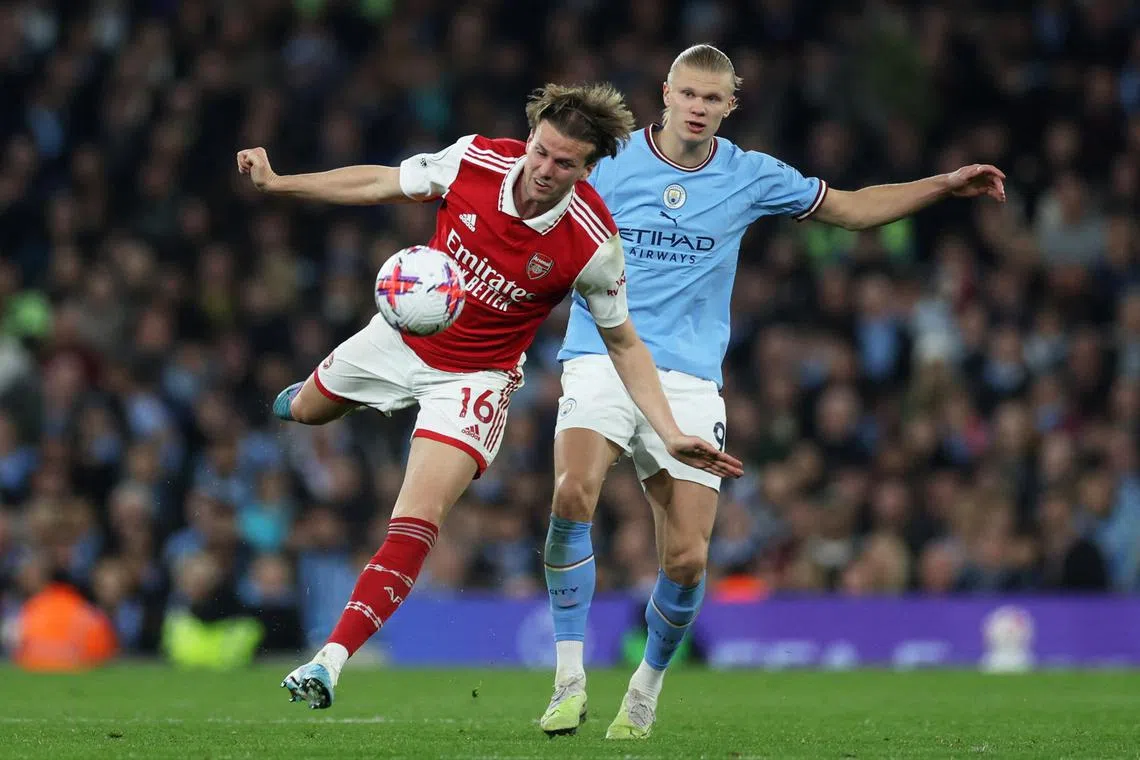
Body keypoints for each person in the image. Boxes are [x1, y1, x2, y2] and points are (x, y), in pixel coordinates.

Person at [539, 44, 1006, 739]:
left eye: (712, 98)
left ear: (731, 105)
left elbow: (851, 209)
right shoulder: (608, 158)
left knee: (687, 559)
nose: (697, 108)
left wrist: (942, 184)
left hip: (690, 377)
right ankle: (568, 679)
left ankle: (644, 691)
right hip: (601, 354)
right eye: (687, 94)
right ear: (665, 93)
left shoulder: (751, 175)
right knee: (573, 490)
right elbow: (530, 192)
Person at [235, 82, 744, 710]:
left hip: (473, 381)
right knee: (305, 411)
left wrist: (668, 431)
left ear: (588, 170)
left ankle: (328, 661)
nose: (544, 170)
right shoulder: (474, 159)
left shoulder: (592, 242)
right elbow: (381, 182)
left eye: (564, 163)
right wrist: (280, 184)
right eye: (541, 152)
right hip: (400, 336)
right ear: (529, 139)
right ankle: (330, 396)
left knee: (417, 519)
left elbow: (625, 343)